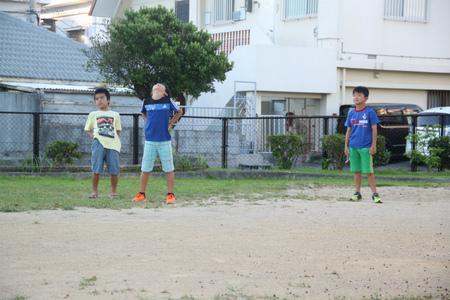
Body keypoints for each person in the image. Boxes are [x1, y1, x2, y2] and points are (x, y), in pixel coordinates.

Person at [132, 83, 183, 204]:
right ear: (151, 92)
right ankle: (141, 194)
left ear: (165, 92)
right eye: (156, 85)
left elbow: (179, 111)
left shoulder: (168, 101)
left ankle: (170, 195)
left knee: (168, 168)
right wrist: (147, 121)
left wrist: (170, 124)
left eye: (161, 85)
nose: (158, 84)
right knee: (145, 168)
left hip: (164, 140)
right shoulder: (146, 101)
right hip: (150, 140)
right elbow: (143, 113)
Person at [344, 86, 382, 203]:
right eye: (354, 95)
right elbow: (348, 130)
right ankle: (357, 193)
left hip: (365, 146)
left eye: (359, 95)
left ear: (366, 98)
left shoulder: (370, 112)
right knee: (356, 170)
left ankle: (375, 194)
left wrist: (373, 145)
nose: (356, 97)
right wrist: (346, 146)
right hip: (353, 146)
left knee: (368, 171)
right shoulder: (351, 113)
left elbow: (374, 129)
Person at [84, 87, 122, 198]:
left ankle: (113, 192)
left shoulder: (115, 115)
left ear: (108, 100)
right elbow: (87, 129)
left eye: (102, 98)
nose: (99, 100)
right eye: (97, 99)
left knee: (114, 170)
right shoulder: (93, 115)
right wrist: (95, 137)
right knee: (96, 169)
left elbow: (118, 130)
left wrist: (111, 139)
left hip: (113, 146)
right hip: (98, 144)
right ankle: (94, 192)